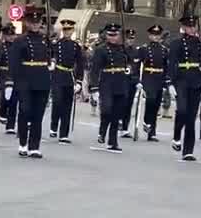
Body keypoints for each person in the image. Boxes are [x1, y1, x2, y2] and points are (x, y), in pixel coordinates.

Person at [9, 7, 53, 158]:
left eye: (38, 22)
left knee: (38, 114)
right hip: (26, 80)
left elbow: (50, 58)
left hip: (42, 80)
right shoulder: (20, 41)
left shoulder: (45, 40)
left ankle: (35, 146)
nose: (35, 25)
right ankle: (23, 143)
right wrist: (15, 82)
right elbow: (14, 63)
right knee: (25, 111)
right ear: (27, 23)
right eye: (32, 22)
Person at [167, 15, 201, 161]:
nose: (191, 28)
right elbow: (171, 63)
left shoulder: (199, 43)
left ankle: (188, 150)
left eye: (193, 26)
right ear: (183, 27)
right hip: (181, 79)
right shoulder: (176, 43)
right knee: (182, 110)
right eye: (189, 26)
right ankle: (177, 135)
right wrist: (169, 82)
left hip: (195, 80)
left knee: (191, 117)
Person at [89, 23, 133, 153]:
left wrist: (130, 67)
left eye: (116, 35)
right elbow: (95, 70)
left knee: (117, 114)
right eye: (110, 35)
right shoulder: (101, 50)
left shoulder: (123, 49)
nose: (113, 38)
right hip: (107, 82)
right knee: (107, 109)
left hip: (121, 82)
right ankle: (102, 131)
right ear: (106, 35)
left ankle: (113, 141)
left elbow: (131, 61)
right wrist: (94, 88)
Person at [49, 17, 84, 144]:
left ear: (72, 30)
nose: (67, 31)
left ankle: (64, 133)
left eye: (69, 29)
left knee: (67, 106)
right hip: (58, 74)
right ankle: (54, 125)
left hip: (69, 76)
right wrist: (51, 63)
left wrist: (79, 81)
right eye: (65, 29)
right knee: (57, 102)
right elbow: (50, 56)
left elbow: (80, 64)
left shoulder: (76, 47)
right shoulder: (55, 44)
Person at [136, 24, 169, 141]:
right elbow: (137, 64)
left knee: (156, 105)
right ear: (149, 35)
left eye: (157, 35)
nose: (155, 37)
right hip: (148, 77)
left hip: (159, 77)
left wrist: (166, 82)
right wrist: (138, 80)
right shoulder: (144, 49)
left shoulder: (164, 50)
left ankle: (152, 132)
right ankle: (146, 120)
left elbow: (166, 67)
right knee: (150, 100)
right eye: (153, 35)